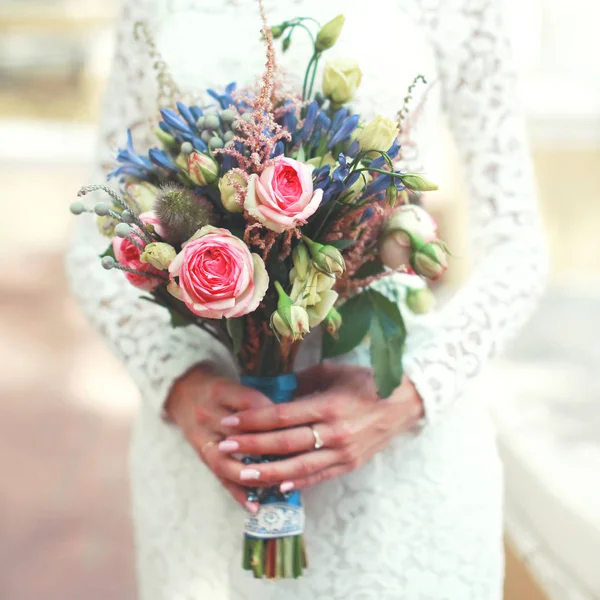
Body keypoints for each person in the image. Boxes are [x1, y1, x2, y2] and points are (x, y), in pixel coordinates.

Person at [67, 0, 549, 598]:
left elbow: (518, 247)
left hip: (393, 440)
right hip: (210, 447)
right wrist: (177, 383)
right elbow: (94, 244)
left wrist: (411, 393)